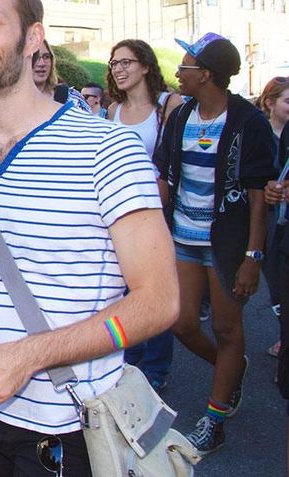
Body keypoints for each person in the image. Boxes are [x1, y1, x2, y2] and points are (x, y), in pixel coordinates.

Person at [0, 0, 178, 476]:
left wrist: (27, 356)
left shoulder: (108, 149)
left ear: (33, 37)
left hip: (75, 427)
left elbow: (160, 301)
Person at [154, 33, 277, 455]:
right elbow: (165, 178)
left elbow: (259, 192)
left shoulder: (248, 121)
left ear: (205, 74)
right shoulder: (180, 115)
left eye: (185, 67)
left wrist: (253, 256)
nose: (177, 73)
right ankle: (232, 368)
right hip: (184, 237)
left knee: (227, 327)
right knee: (182, 322)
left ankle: (216, 417)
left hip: (227, 244)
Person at [106, 38, 183, 389]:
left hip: (157, 207)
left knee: (154, 286)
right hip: (119, 211)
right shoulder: (113, 110)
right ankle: (130, 360)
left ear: (146, 66)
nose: (118, 69)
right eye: (114, 64)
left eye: (126, 62)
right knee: (124, 290)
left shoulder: (169, 105)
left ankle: (156, 370)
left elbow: (174, 162)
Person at [258, 77, 289, 357]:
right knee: (275, 281)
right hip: (267, 221)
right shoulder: (260, 132)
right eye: (287, 101)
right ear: (270, 103)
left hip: (284, 219)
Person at [31, 38, 90, 111]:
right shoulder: (13, 103)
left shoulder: (73, 100)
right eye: (34, 57)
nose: (41, 63)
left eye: (46, 57)